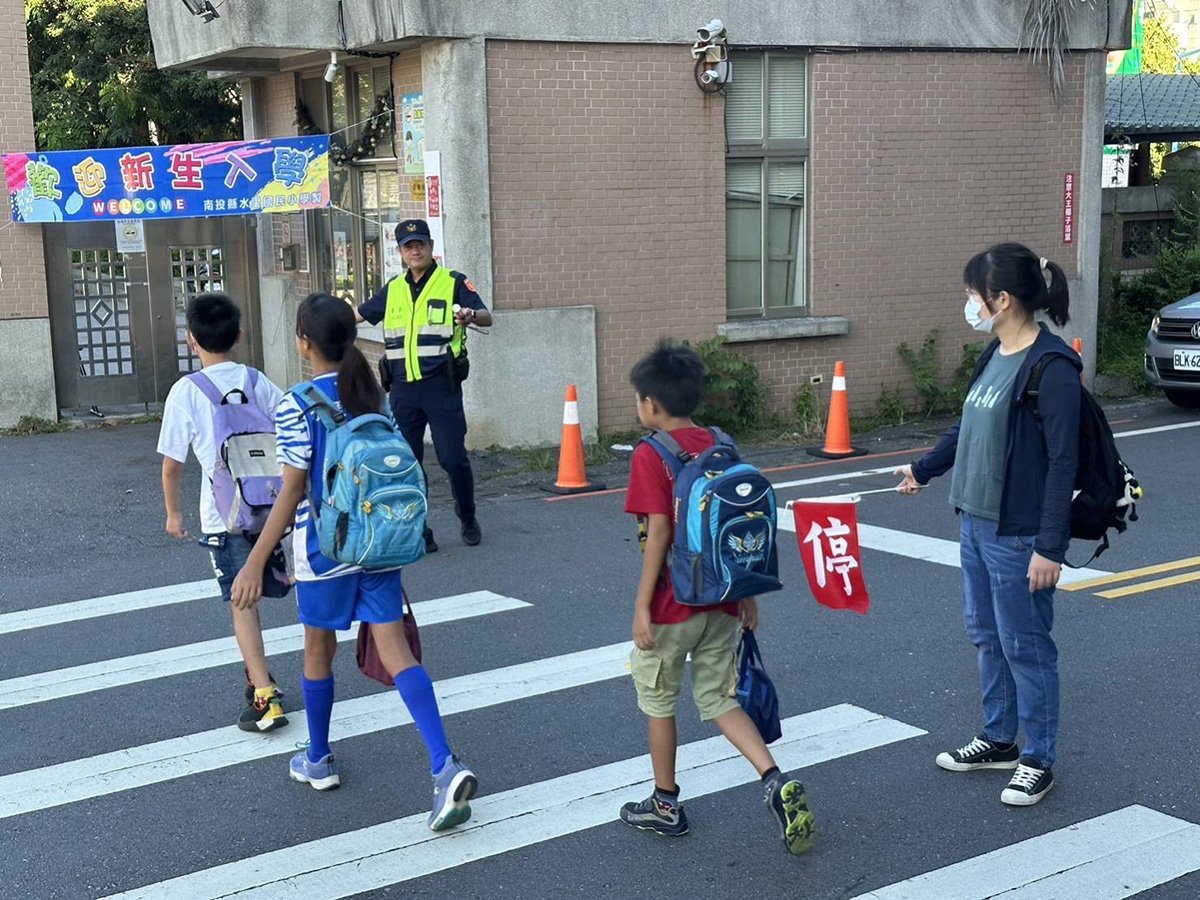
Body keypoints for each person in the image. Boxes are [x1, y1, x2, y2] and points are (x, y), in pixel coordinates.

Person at [229, 292, 478, 832]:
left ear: (303, 343)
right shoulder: (370, 391)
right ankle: (444, 764)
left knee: (318, 650)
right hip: (380, 541)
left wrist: (253, 562)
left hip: (326, 548)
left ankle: (318, 759)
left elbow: (292, 491)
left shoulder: (296, 403)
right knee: (398, 653)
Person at [895, 242, 1081, 807]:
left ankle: (1038, 757)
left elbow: (1062, 462)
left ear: (1002, 299)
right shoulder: (994, 355)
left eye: (974, 294)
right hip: (975, 522)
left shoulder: (1052, 368)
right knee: (986, 637)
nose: (968, 303)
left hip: (1019, 533)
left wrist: (1051, 546)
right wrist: (924, 469)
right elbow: (968, 425)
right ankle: (1000, 739)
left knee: (1026, 645)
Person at [619, 340, 816, 855]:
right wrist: (747, 595)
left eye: (639, 399)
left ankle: (665, 804)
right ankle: (773, 778)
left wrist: (642, 607)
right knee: (718, 699)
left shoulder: (651, 454)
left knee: (659, 701)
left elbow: (658, 534)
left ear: (651, 405)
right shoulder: (720, 443)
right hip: (724, 599)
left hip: (671, 605)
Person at [157, 292, 290, 733]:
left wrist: (173, 514)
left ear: (191, 340)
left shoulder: (186, 392)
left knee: (241, 604)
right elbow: (289, 432)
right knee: (268, 588)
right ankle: (264, 678)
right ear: (238, 334)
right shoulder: (258, 380)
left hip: (225, 517)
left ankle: (264, 696)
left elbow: (172, 465)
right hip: (272, 507)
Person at [356, 220, 492, 553]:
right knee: (407, 463)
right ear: (401, 252)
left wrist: (471, 316)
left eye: (420, 244)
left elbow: (486, 316)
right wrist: (322, 319)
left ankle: (468, 516)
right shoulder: (393, 289)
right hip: (402, 390)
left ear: (431, 247)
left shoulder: (453, 282)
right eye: (408, 246)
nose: (415, 250)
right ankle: (420, 528)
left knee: (453, 458)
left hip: (440, 386)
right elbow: (358, 314)